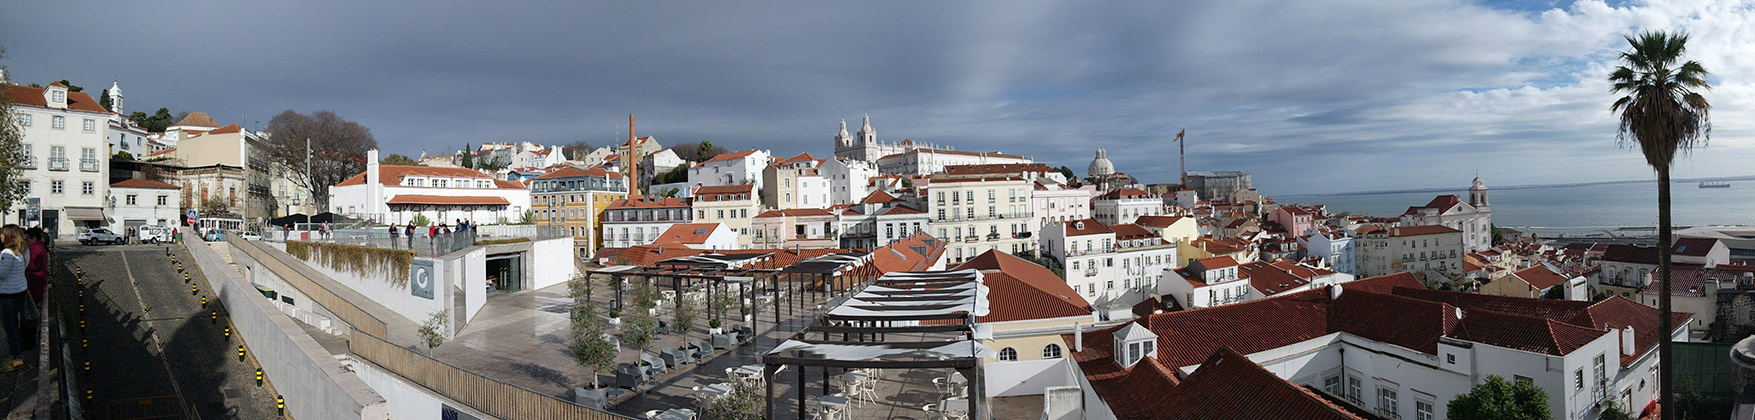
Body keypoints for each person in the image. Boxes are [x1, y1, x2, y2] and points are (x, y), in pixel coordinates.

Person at [0, 225, 31, 371]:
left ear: (7, 236)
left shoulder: (7, 253)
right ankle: (17, 353)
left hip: (8, 295)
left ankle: (17, 357)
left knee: (10, 326)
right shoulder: (24, 251)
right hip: (20, 291)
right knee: (14, 323)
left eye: (2, 234)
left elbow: (2, 274)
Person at [21, 228, 47, 352]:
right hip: (36, 282)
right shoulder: (39, 247)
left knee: (30, 314)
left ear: (33, 239)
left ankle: (29, 341)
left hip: (34, 283)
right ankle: (29, 340)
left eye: (27, 239)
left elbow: (33, 265)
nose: (25, 242)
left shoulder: (35, 249)